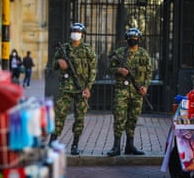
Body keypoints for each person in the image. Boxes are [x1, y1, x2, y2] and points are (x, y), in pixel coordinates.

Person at [49, 22, 97, 155]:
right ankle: (52, 141)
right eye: (74, 31)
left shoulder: (88, 50)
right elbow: (53, 65)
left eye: (79, 32)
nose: (76, 34)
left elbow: (93, 71)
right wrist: (59, 62)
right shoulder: (63, 48)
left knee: (79, 117)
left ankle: (75, 144)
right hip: (66, 88)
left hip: (81, 88)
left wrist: (88, 88)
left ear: (83, 35)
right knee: (59, 115)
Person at [107, 28, 152, 156]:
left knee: (132, 119)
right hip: (121, 91)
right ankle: (116, 147)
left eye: (135, 38)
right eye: (131, 37)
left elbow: (149, 73)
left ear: (139, 39)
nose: (133, 40)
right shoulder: (120, 53)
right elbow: (110, 68)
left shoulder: (143, 54)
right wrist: (119, 70)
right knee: (119, 118)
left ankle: (130, 146)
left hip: (137, 92)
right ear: (127, 39)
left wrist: (145, 86)